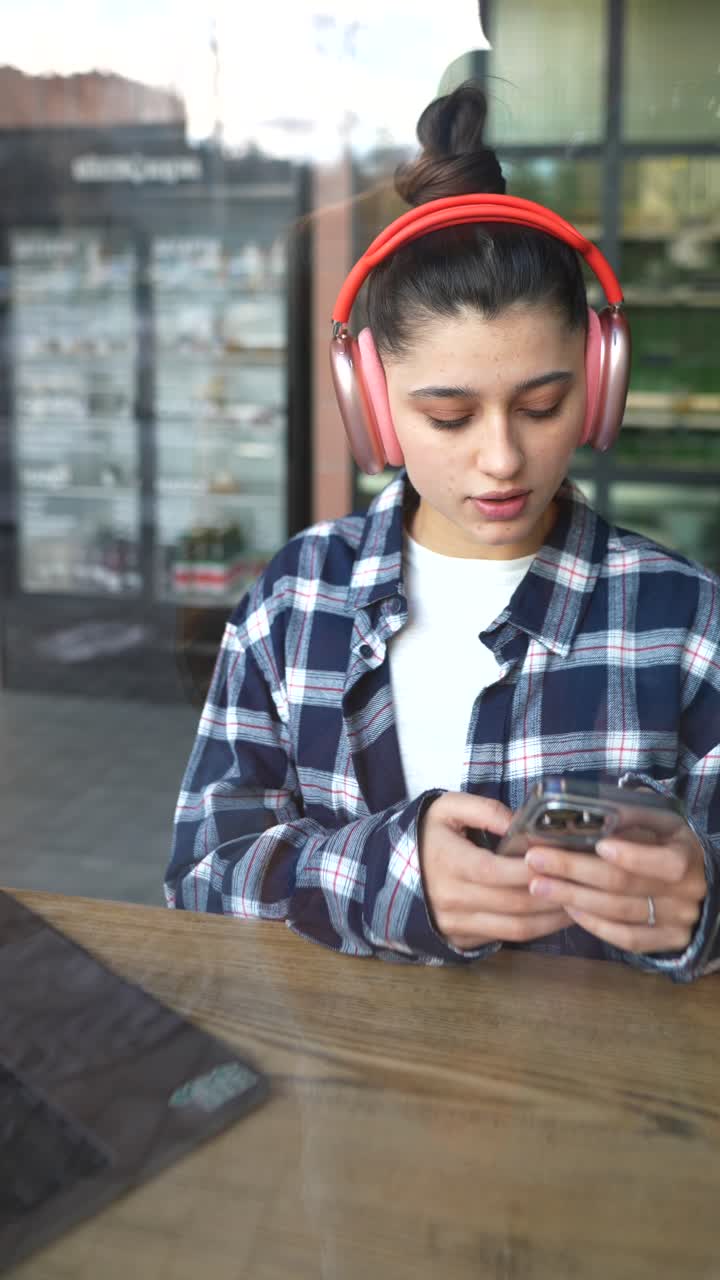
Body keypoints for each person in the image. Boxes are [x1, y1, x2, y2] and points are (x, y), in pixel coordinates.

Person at [165, 84, 719, 981]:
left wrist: (704, 903)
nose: (502, 459)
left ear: (600, 381)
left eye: (542, 406)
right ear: (373, 406)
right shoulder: (297, 602)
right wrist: (392, 876)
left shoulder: (687, 621)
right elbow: (201, 878)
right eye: (450, 417)